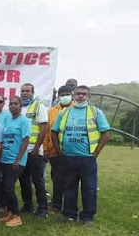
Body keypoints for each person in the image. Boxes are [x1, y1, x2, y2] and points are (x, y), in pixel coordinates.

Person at [52, 86, 110, 226]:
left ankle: (87, 217)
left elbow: (106, 134)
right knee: (69, 187)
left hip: (87, 159)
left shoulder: (95, 112)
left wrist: (95, 154)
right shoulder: (65, 112)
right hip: (68, 157)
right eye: (77, 94)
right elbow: (54, 131)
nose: (80, 97)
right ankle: (70, 214)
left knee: (89, 188)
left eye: (83, 94)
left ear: (88, 97)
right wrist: (58, 150)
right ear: (73, 96)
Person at [0, 96, 31, 227]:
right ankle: (10, 213)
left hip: (16, 161)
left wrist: (18, 159)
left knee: (8, 186)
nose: (12, 106)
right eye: (11, 104)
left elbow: (25, 140)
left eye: (15, 104)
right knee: (4, 187)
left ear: (20, 106)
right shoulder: (8, 120)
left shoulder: (24, 121)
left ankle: (17, 216)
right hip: (5, 159)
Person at [18, 83, 49, 217]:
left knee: (38, 180)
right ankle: (28, 205)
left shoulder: (39, 106)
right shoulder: (19, 108)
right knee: (24, 180)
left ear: (33, 92)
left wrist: (37, 148)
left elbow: (43, 128)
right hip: (21, 150)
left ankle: (43, 208)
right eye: (23, 91)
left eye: (27, 91)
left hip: (34, 150)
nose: (24, 93)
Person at [43, 85, 73, 214]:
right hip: (54, 151)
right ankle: (56, 203)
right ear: (59, 96)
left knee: (70, 179)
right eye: (62, 94)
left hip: (72, 151)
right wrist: (45, 148)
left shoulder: (77, 109)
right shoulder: (52, 111)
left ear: (71, 95)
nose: (65, 96)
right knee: (57, 178)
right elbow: (47, 132)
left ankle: (69, 205)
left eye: (67, 94)